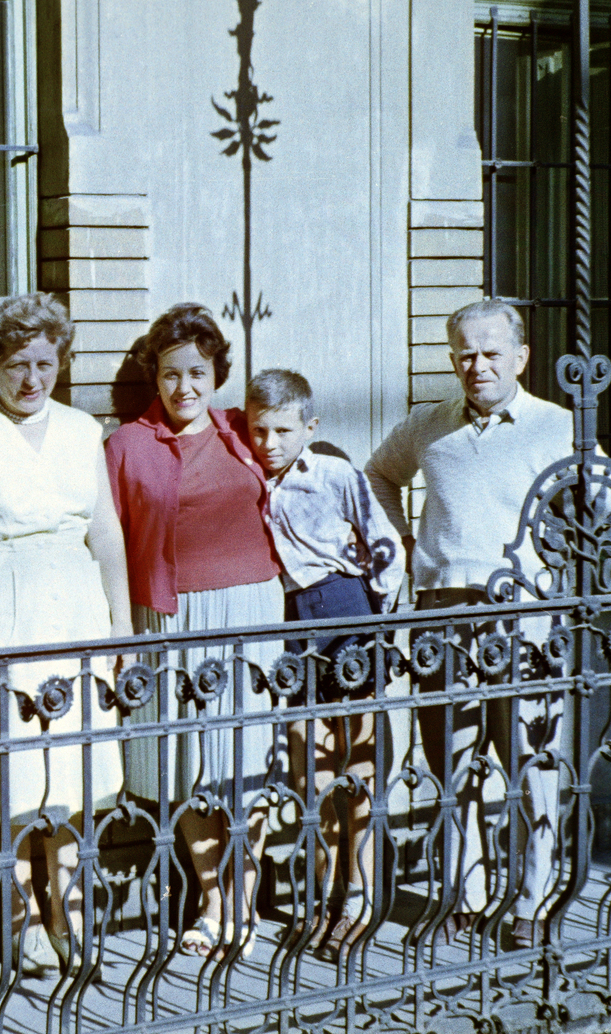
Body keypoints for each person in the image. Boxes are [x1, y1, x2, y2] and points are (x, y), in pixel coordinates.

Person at [365, 297, 611, 949]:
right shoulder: (426, 426)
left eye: (492, 352)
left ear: (521, 357)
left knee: (533, 764)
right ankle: (464, 898)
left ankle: (531, 900)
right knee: (453, 764)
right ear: (452, 358)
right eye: (465, 353)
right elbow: (380, 476)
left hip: (525, 619)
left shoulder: (556, 427)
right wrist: (405, 546)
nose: (478, 365)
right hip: (444, 618)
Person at [0, 292, 131, 976]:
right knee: (10, 771)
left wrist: (122, 624)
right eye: (16, 364)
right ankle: (20, 921)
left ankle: (69, 913)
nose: (31, 379)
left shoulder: (82, 430)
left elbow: (105, 532)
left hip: (73, 608)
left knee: (70, 770)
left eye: (44, 363)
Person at [104, 303, 286, 960]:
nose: (184, 387)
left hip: (251, 611)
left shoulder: (243, 431)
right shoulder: (125, 445)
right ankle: (215, 897)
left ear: (217, 376)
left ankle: (240, 898)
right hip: (171, 618)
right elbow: (107, 541)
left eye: (198, 373)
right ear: (155, 377)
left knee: (245, 759)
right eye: (172, 374)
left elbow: (302, 459)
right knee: (189, 766)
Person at [245, 369, 405, 962]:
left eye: (284, 430)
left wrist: (378, 624)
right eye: (258, 429)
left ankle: (359, 895)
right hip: (288, 618)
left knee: (357, 763)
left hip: (345, 606)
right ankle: (321, 894)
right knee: (309, 768)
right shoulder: (248, 477)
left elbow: (385, 545)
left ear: (309, 427)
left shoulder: (334, 473)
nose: (270, 442)